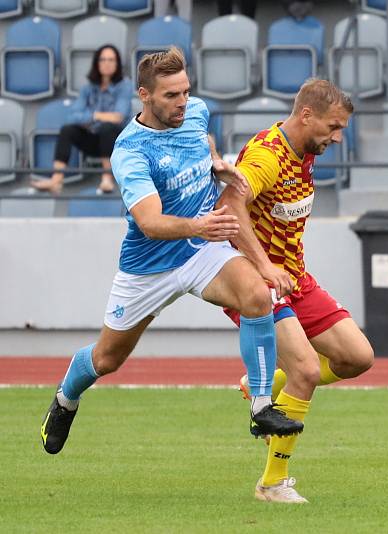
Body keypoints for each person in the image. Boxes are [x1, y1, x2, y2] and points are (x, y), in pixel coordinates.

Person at [39, 47, 303, 458]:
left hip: (200, 251)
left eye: (185, 92)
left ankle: (262, 405)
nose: (182, 102)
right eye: (170, 96)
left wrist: (214, 162)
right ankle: (66, 398)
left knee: (256, 295)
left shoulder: (195, 111)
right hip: (149, 266)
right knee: (108, 359)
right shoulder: (131, 152)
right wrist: (202, 225)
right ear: (144, 94)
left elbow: (203, 138)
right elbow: (150, 222)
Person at [219, 78, 374, 504]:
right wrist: (265, 266)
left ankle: (266, 381)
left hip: (296, 278)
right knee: (308, 371)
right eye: (334, 126)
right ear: (307, 115)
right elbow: (229, 203)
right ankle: (272, 483)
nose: (338, 137)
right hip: (256, 282)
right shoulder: (269, 155)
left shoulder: (303, 151)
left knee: (357, 357)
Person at [32, 45, 133, 195]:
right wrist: (96, 116)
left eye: (111, 60)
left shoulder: (124, 86)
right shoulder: (88, 88)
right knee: (68, 130)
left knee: (107, 127)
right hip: (95, 140)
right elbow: (72, 116)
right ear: (97, 63)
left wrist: (90, 117)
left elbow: (118, 116)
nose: (107, 63)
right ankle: (56, 179)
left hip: (117, 142)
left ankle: (107, 177)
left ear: (117, 63)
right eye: (103, 59)